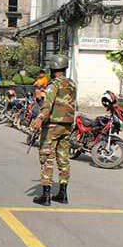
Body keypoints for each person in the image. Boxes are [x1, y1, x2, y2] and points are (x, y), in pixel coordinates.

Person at [31, 55, 76, 206]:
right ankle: (63, 194)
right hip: (67, 125)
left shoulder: (53, 85)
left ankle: (46, 195)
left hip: (53, 126)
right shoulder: (72, 84)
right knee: (63, 158)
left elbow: (47, 104)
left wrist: (39, 119)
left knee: (47, 157)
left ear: (53, 69)